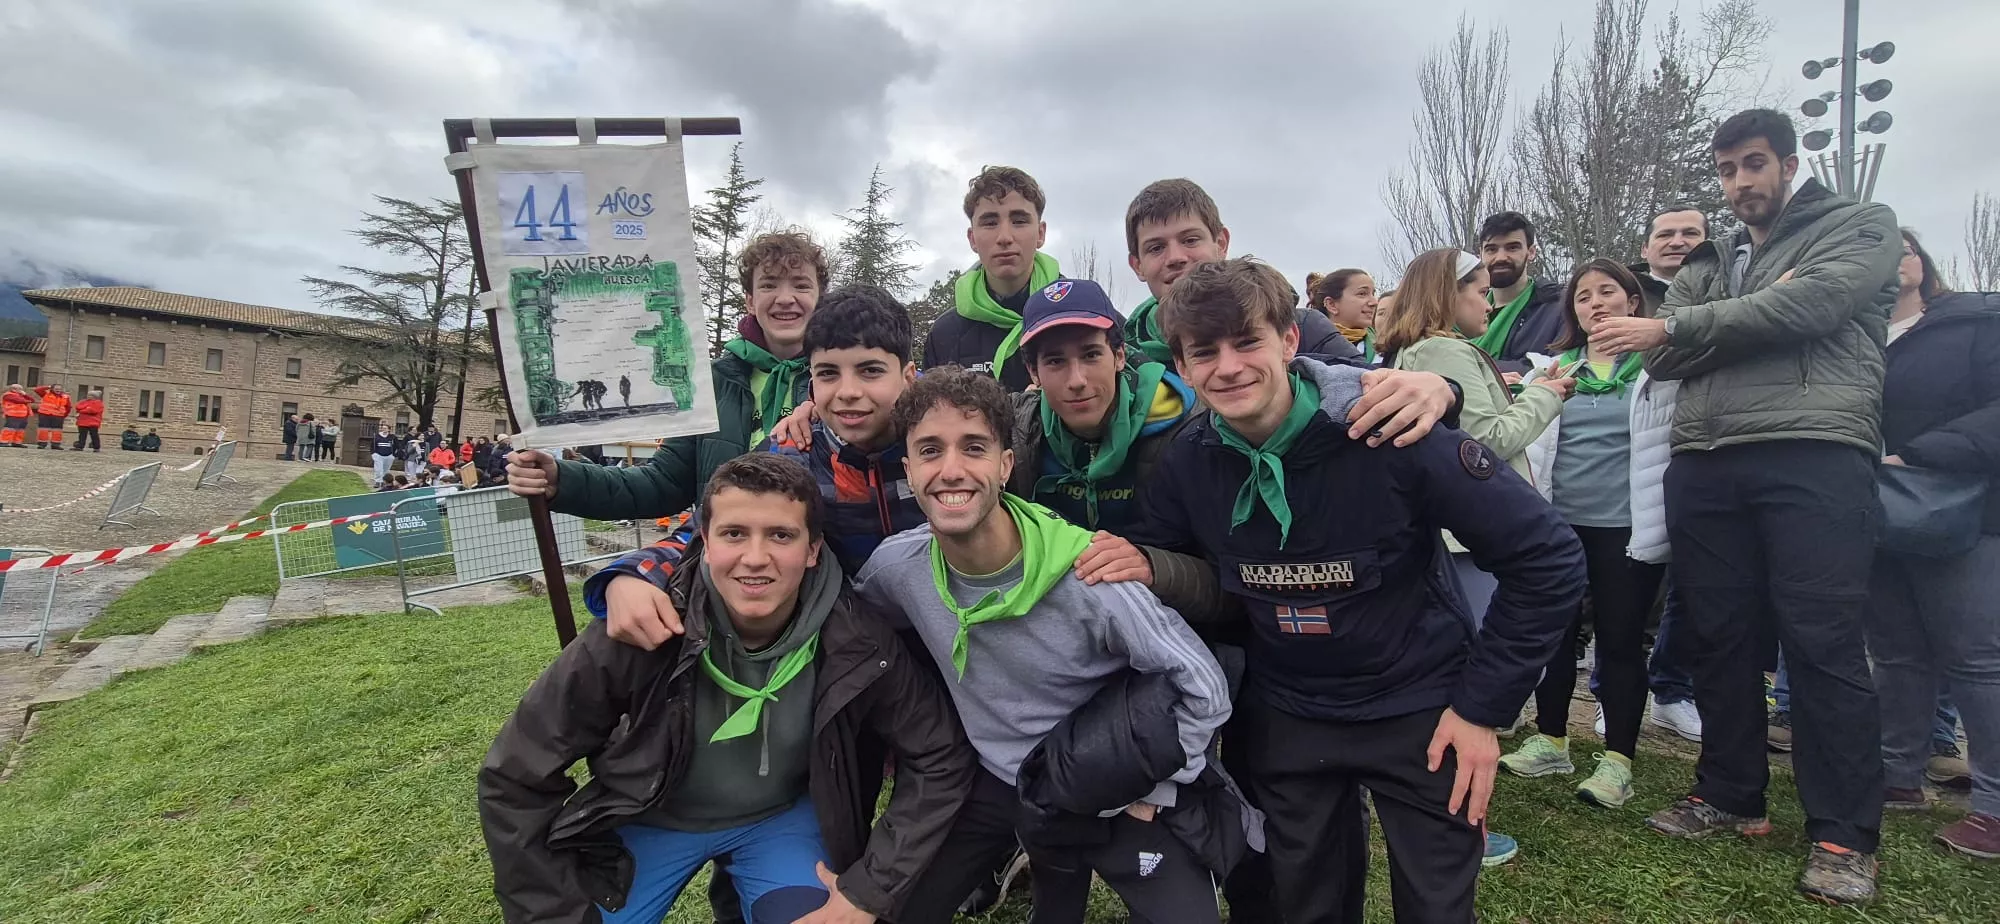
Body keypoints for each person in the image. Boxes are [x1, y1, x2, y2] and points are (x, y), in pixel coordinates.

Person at [1125, 257, 1583, 924]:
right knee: (1301, 906)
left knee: (1434, 911)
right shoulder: (1186, 464)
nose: (1228, 367)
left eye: (1247, 342)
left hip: (1420, 707)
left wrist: (1483, 707)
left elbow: (1547, 557)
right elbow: (1173, 593)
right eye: (1205, 352)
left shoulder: (1390, 428)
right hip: (1286, 710)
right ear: (1183, 363)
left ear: (1288, 341)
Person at [1591, 107, 1900, 904]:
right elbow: (1664, 356)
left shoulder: (1861, 223)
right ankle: (1730, 793)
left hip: (1815, 448)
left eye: (1754, 165)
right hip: (1705, 457)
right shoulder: (1711, 256)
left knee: (1822, 639)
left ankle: (1843, 832)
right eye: (1727, 170)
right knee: (1718, 634)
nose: (1740, 184)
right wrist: (1743, 316)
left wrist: (1693, 325)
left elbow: (1815, 307)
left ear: (1789, 164)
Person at [480, 452, 975, 924]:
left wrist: (871, 886)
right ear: (706, 542)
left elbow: (939, 754)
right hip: (648, 818)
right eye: (734, 534)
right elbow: (515, 776)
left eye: (780, 535)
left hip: (779, 818)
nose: (755, 558)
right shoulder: (638, 629)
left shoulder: (859, 638)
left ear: (811, 550)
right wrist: (549, 911)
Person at [858, 367, 1239, 924]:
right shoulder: (897, 569)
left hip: (1103, 779)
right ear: (909, 470)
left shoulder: (1089, 575)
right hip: (994, 777)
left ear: (1006, 465)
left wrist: (1151, 784)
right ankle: (1039, 868)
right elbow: (854, 625)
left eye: (974, 448)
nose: (952, 470)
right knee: (896, 910)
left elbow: (1203, 686)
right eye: (930, 450)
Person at [508, 231, 829, 520]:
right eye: (769, 284)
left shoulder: (843, 384)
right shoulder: (711, 381)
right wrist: (563, 479)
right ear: (750, 300)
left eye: (801, 285)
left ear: (820, 298)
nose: (785, 298)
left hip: (820, 560)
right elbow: (663, 483)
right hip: (726, 565)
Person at [1500, 260, 1666, 808]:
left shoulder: (1657, 368)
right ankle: (1551, 740)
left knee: (1619, 642)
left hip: (1627, 528)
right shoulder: (1551, 370)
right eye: (1583, 296)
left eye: (1608, 292)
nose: (1595, 303)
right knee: (1553, 636)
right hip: (1559, 526)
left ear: (1633, 302)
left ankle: (1618, 760)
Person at [1865, 228, 2000, 858]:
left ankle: (1994, 807)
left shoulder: (1974, 321)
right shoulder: (1854, 339)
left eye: (1904, 247)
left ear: (1922, 261)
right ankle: (1898, 775)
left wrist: (1919, 454)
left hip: (1963, 510)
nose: (1893, 259)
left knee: (1976, 656)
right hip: (1878, 512)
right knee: (1895, 651)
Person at [1381, 248, 1574, 613]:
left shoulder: (1413, 349)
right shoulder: (1444, 350)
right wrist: (1545, 396)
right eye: (1481, 293)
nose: (1489, 306)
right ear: (1448, 293)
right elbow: (1485, 443)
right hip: (1471, 535)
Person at [1119, 178, 1354, 366]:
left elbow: (1369, 390)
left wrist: (1387, 385)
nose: (1176, 258)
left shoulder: (1305, 330)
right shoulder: (1122, 361)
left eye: (1190, 240)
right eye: (1156, 248)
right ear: (1137, 265)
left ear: (1221, 243)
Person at [919, 166, 1062, 391]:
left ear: (1041, 234)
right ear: (972, 238)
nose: (1005, 237)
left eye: (1019, 221)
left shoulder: (1084, 316)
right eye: (989, 222)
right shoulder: (944, 335)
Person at [1471, 211, 1568, 376]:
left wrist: (1472, 368)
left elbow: (1558, 366)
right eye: (1491, 249)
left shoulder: (1559, 307)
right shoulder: (1465, 310)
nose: (1501, 257)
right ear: (1480, 254)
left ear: (1531, 252)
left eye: (1512, 247)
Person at [1631, 206, 1709, 315]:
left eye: (1690, 233)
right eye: (1664, 235)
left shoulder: (1733, 292)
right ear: (1645, 249)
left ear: (1708, 245)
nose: (1676, 243)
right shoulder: (1620, 294)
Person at [1311, 269, 1382, 362]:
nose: (1374, 302)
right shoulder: (1303, 346)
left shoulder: (1384, 347)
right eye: (1362, 294)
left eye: (1373, 294)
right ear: (1331, 304)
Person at [32, 383, 72, 450]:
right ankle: (42, 444)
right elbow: (37, 390)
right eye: (56, 388)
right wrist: (48, 386)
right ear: (52, 389)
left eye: (59, 389)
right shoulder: (46, 394)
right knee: (43, 430)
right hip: (45, 414)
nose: (58, 390)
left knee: (57, 431)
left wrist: (64, 415)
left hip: (58, 415)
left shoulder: (65, 397)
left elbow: (68, 407)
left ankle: (55, 444)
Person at [2, 383, 33, 448]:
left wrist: (25, 395)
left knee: (20, 430)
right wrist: (27, 400)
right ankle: (3, 442)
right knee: (9, 429)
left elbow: (32, 400)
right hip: (13, 414)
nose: (22, 390)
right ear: (13, 389)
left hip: (23, 415)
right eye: (20, 389)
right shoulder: (8, 395)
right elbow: (19, 400)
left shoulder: (21, 395)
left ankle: (17, 442)